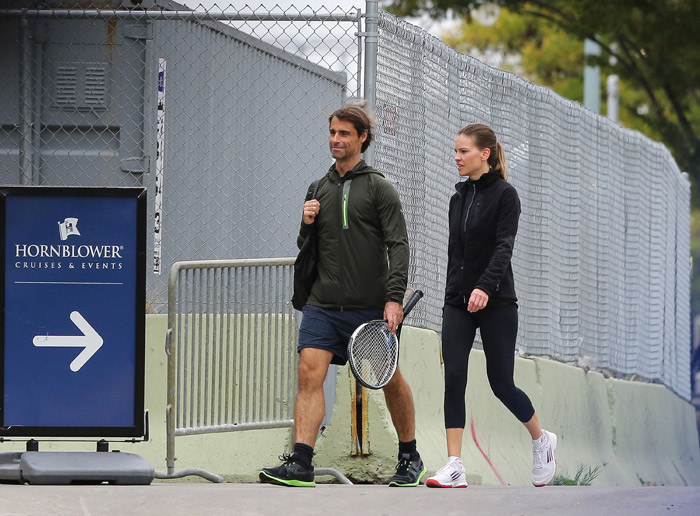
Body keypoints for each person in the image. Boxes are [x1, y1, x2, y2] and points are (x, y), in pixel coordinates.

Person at [259, 102, 426, 488]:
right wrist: (306, 221)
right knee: (308, 373)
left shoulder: (379, 187)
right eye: (332, 132)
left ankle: (409, 456)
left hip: (370, 307)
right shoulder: (318, 187)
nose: (335, 139)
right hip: (322, 303)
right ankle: (301, 462)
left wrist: (393, 298)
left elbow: (398, 246)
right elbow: (307, 245)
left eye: (344, 134)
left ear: (362, 138)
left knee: (389, 379)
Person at [426, 123, 557, 488]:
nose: (457, 157)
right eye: (455, 151)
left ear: (484, 154)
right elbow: (458, 254)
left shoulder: (505, 195)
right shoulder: (458, 198)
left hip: (497, 301)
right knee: (454, 376)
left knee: (501, 383)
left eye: (463, 151)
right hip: (457, 302)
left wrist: (485, 286)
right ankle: (454, 464)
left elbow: (504, 247)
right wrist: (457, 292)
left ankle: (541, 440)